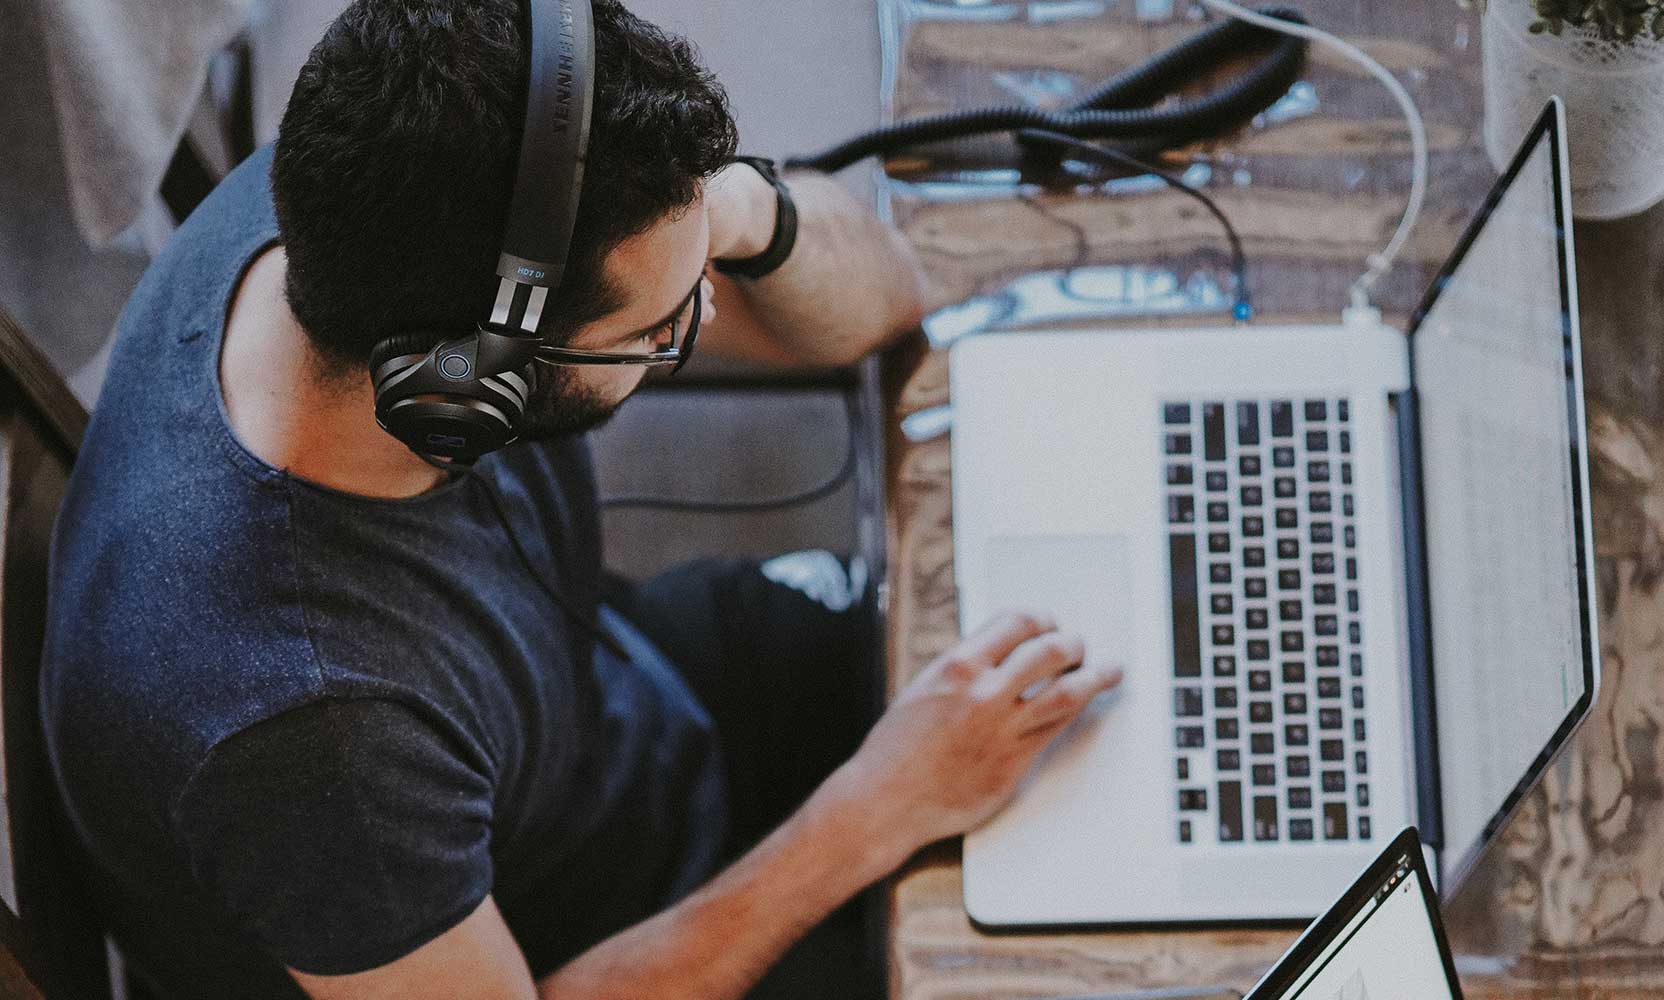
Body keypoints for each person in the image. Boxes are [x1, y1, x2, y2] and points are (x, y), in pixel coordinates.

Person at [39, 2, 1123, 998]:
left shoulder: (367, 195)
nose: (701, 312)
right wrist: (880, 807)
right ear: (462, 390)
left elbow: (882, 300)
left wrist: (722, 208)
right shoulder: (313, 740)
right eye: (659, 327)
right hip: (587, 945)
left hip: (611, 712)